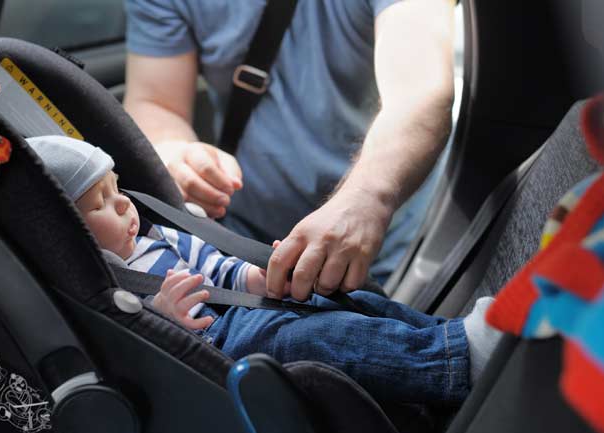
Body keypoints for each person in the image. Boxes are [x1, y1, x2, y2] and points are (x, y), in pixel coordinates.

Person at [26, 135, 500, 403]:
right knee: (316, 340)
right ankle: (452, 364)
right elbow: (142, 344)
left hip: (247, 307)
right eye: (101, 204)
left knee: (351, 302)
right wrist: (167, 316)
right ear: (71, 232)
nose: (125, 205)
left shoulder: (158, 237)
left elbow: (215, 267)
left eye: (117, 189)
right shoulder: (106, 285)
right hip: (220, 342)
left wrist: (262, 277)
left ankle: (450, 335)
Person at [122, 0, 456, 303]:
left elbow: (420, 92)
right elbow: (155, 102)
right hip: (247, 244)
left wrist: (367, 197)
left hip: (388, 244)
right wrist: (174, 150)